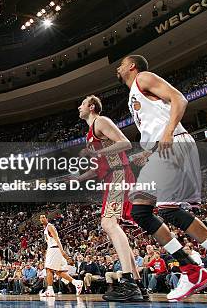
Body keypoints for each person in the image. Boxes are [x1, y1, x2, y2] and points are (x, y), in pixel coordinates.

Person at [117, 55, 207, 301]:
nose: (118, 67)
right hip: (160, 150)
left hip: (173, 143)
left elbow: (179, 98)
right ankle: (190, 269)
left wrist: (167, 133)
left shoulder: (144, 77)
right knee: (140, 213)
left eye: (122, 63)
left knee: (167, 209)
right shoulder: (134, 93)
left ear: (133, 66)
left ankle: (203, 267)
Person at [74, 95, 145, 301]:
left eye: (82, 103)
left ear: (92, 106)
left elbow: (125, 143)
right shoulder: (90, 134)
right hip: (110, 176)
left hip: (118, 174)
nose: (79, 106)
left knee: (108, 223)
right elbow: (97, 169)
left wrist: (98, 153)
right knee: (112, 225)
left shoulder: (101, 121)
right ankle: (138, 284)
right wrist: (78, 178)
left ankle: (128, 281)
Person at [39, 214, 83, 297]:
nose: (42, 219)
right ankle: (76, 283)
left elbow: (57, 239)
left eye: (43, 217)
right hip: (52, 249)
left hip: (55, 249)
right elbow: (50, 242)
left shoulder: (50, 226)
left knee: (48, 269)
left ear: (47, 219)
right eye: (40, 218)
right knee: (58, 272)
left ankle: (50, 290)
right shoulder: (45, 229)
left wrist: (62, 252)